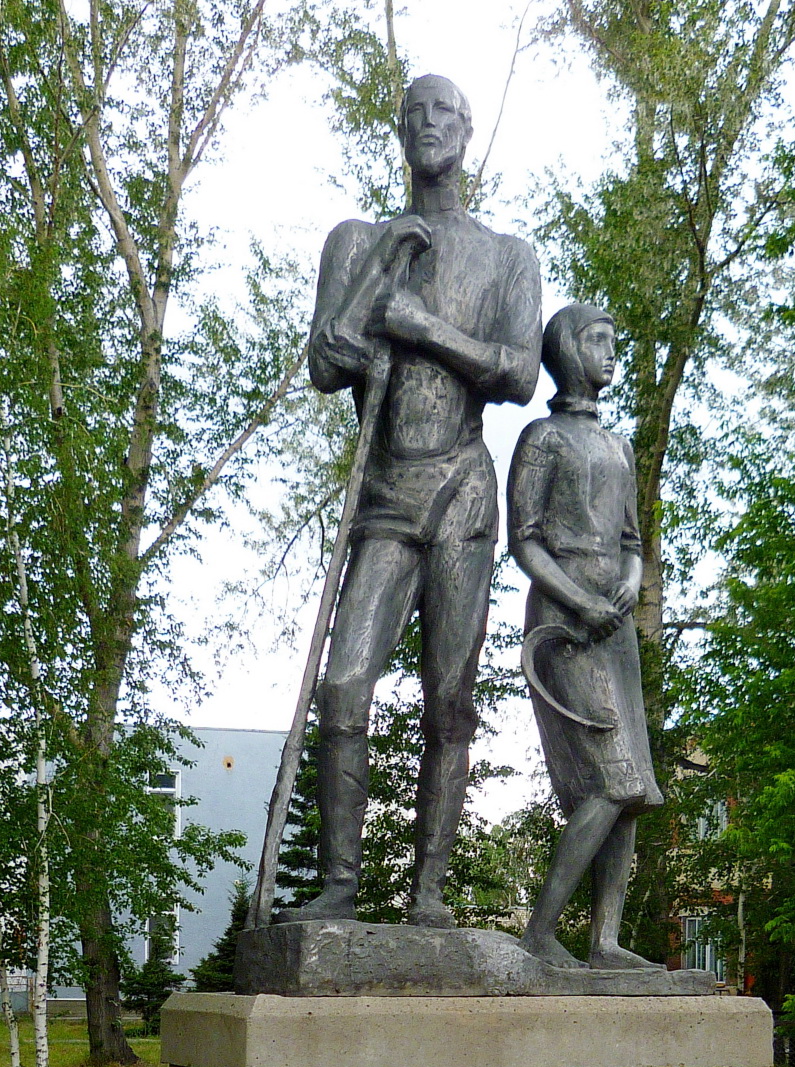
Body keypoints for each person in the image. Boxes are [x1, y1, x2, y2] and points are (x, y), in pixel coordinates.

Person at [289, 74, 542, 927]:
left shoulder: (507, 255)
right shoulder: (359, 238)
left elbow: (516, 371)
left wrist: (418, 322)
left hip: (463, 496)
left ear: (467, 132)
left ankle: (427, 893)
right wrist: (373, 285)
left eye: (444, 112)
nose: (428, 124)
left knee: (449, 700)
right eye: (413, 113)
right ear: (399, 133)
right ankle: (340, 885)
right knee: (344, 689)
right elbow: (328, 364)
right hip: (387, 492)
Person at [507, 304, 663, 969]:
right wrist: (579, 600)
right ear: (566, 348)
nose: (610, 354)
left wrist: (630, 580)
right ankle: (541, 931)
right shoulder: (542, 438)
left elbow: (632, 538)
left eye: (613, 341)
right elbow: (526, 541)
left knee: (631, 794)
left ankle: (604, 941)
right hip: (565, 620)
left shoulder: (618, 445)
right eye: (597, 340)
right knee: (608, 781)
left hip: (615, 625)